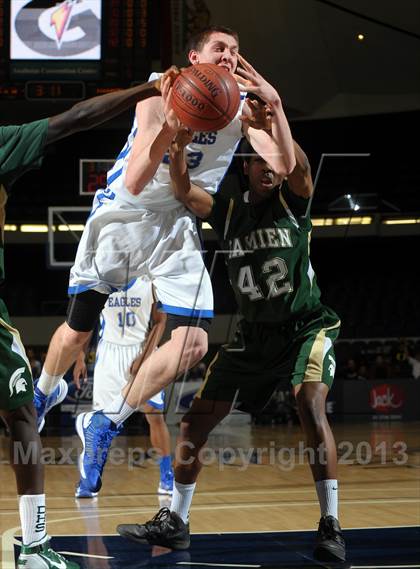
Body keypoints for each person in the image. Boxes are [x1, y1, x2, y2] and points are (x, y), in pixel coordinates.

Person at [34, 25, 296, 494]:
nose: (231, 56)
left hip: (177, 223)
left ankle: (106, 421)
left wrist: (274, 107)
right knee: (77, 330)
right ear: (195, 56)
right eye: (221, 48)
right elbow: (135, 180)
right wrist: (173, 128)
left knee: (195, 342)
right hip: (124, 214)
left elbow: (283, 167)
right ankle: (45, 389)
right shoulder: (163, 90)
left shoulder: (240, 106)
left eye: (237, 50)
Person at [116, 132, 346, 563]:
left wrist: (274, 119)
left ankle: (330, 523)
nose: (269, 168)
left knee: (310, 406)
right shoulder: (229, 213)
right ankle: (177, 522)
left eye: (274, 162)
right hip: (252, 336)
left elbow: (303, 170)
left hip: (304, 327)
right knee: (192, 425)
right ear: (246, 167)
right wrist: (180, 147)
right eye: (260, 161)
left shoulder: (293, 203)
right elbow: (183, 190)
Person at [0, 75, 166, 568]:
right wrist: (144, 91)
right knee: (22, 418)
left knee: (28, 413)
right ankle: (33, 547)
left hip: (128, 348)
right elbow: (75, 118)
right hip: (107, 346)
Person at [73, 277, 174, 498]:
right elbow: (86, 320)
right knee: (102, 423)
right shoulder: (104, 276)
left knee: (155, 415)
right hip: (109, 353)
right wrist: (80, 355)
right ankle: (88, 478)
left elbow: (160, 321)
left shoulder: (150, 278)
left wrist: (145, 356)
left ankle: (167, 477)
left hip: (141, 349)